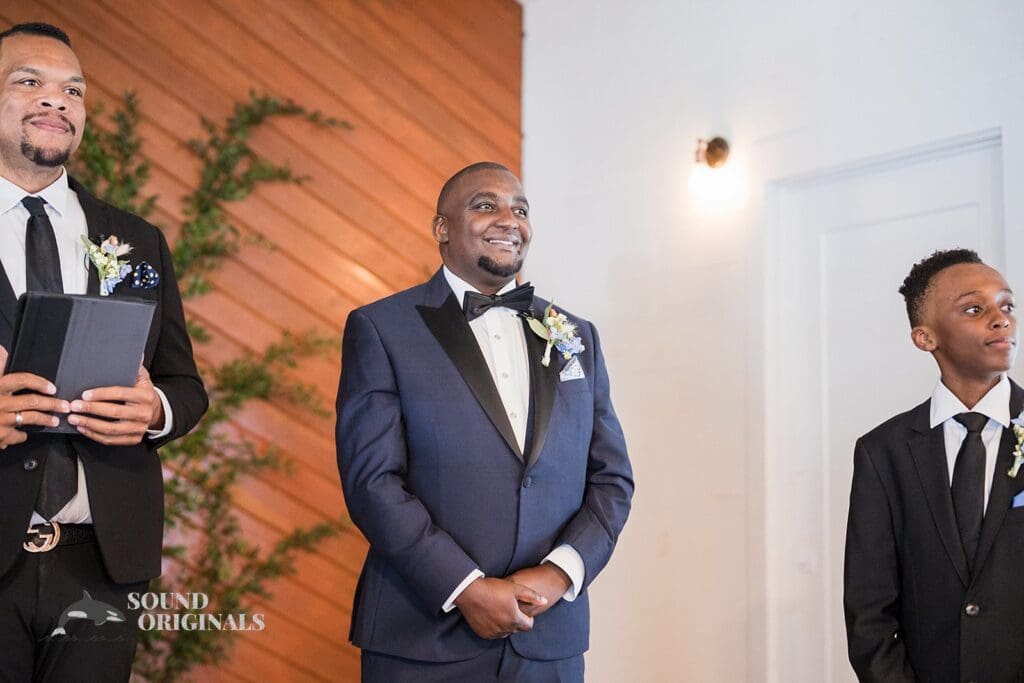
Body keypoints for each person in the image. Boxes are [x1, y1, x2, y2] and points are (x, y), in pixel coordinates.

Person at [336, 161, 634, 681]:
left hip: (549, 639)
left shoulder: (575, 334)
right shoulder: (381, 329)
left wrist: (560, 573)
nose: (508, 219)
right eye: (485, 205)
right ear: (442, 228)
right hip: (423, 637)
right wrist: (466, 587)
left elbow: (611, 477)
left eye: (520, 209)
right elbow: (372, 482)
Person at [0, 22, 207, 681]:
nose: (55, 101)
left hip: (103, 558)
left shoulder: (134, 240)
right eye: (29, 82)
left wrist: (153, 411)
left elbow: (185, 383)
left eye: (73, 91)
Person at [844, 249, 1024, 681]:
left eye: (1007, 305)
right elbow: (870, 614)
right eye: (975, 309)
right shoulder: (882, 452)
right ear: (926, 338)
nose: (1001, 320)